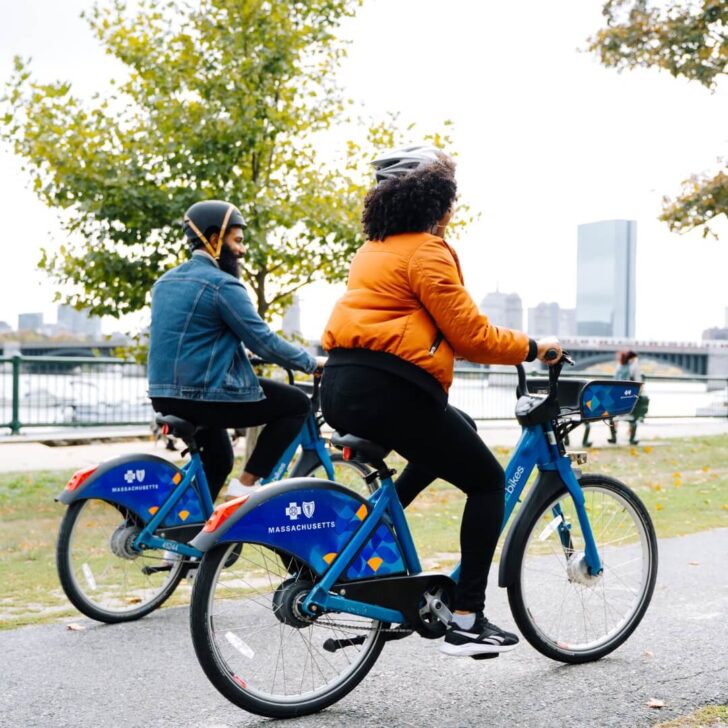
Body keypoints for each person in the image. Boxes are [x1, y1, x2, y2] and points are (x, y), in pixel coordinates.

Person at [319, 146, 561, 658]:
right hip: (392, 392)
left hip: (342, 388)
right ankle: (469, 617)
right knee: (488, 481)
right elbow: (471, 336)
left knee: (460, 425)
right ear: (437, 202)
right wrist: (534, 348)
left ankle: (365, 536)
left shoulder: (373, 249)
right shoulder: (426, 250)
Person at [147, 200, 324, 505]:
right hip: (202, 395)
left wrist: (240, 356)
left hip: (164, 396)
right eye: (237, 240)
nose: (242, 251)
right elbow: (264, 340)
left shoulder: (164, 283)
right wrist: (311, 363)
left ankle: (183, 543)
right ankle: (244, 490)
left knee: (218, 461)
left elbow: (195, 339)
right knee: (295, 404)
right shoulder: (222, 285)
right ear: (214, 239)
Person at [608, 350, 645, 445]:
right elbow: (639, 383)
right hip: (628, 400)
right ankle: (631, 436)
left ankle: (613, 436)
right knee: (637, 406)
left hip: (615, 400)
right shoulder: (634, 366)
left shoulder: (619, 366)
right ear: (632, 358)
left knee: (613, 415)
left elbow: (614, 381)